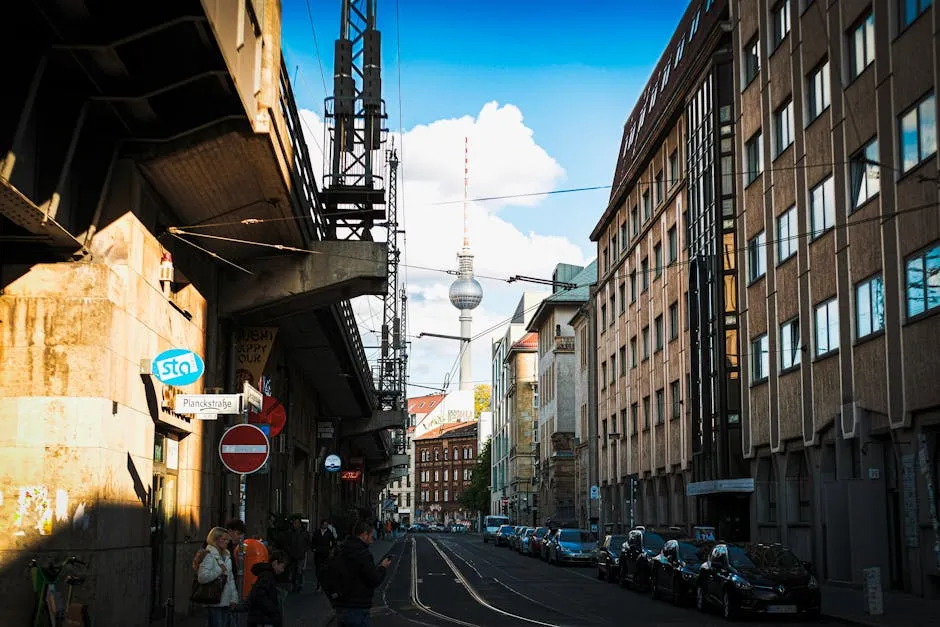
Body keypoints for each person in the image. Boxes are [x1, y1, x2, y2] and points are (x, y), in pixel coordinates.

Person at [334, 520, 392, 627]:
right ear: (364, 535)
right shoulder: (363, 554)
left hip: (342, 605)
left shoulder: (342, 550)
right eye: (371, 535)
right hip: (358, 606)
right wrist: (382, 567)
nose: (373, 538)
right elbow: (374, 579)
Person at [196, 527, 240, 627]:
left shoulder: (226, 555)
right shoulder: (209, 555)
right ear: (215, 539)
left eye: (227, 540)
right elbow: (202, 577)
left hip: (226, 601)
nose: (226, 542)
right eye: (224, 539)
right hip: (215, 601)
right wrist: (219, 570)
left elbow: (230, 579)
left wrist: (234, 598)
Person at [247, 550, 287, 627]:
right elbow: (259, 595)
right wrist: (273, 610)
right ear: (275, 563)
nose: (282, 570)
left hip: (261, 617)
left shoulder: (267, 575)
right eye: (282, 567)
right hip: (263, 618)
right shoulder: (267, 576)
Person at [311, 518, 337, 591]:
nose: (325, 526)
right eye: (324, 524)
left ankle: (320, 584)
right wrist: (313, 548)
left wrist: (331, 550)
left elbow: (334, 543)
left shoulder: (329, 533)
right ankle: (320, 582)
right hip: (318, 554)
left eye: (326, 525)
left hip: (326, 554)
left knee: (324, 570)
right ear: (321, 525)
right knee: (317, 570)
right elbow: (313, 542)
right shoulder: (317, 532)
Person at [285, 516, 309, 592]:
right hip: (292, 554)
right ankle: (294, 584)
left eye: (296, 523)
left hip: (301, 554)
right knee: (293, 571)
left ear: (300, 524)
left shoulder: (304, 533)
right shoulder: (290, 532)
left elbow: (308, 543)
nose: (295, 525)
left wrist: (304, 550)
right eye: (294, 523)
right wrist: (289, 550)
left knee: (299, 570)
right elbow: (287, 543)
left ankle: (298, 585)